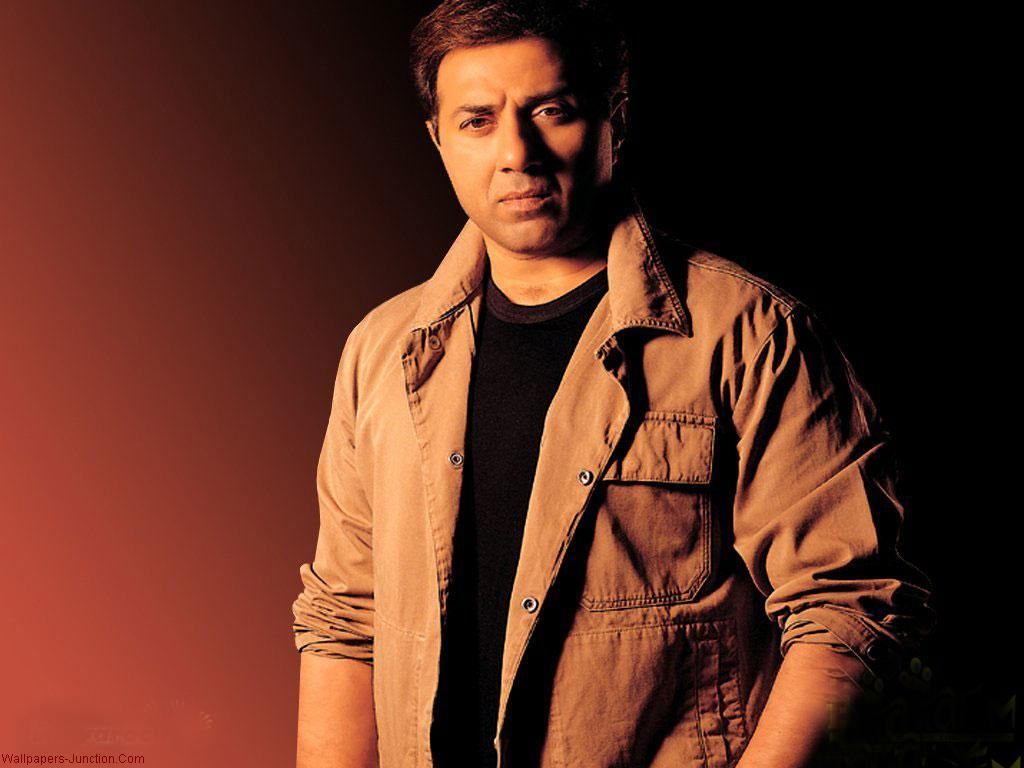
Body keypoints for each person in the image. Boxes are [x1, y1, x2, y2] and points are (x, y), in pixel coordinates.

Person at [292, 1, 938, 766]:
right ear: (438, 139)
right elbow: (344, 619)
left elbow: (848, 606)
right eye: (478, 121)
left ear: (614, 120)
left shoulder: (752, 335)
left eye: (552, 111)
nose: (518, 153)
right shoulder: (382, 351)